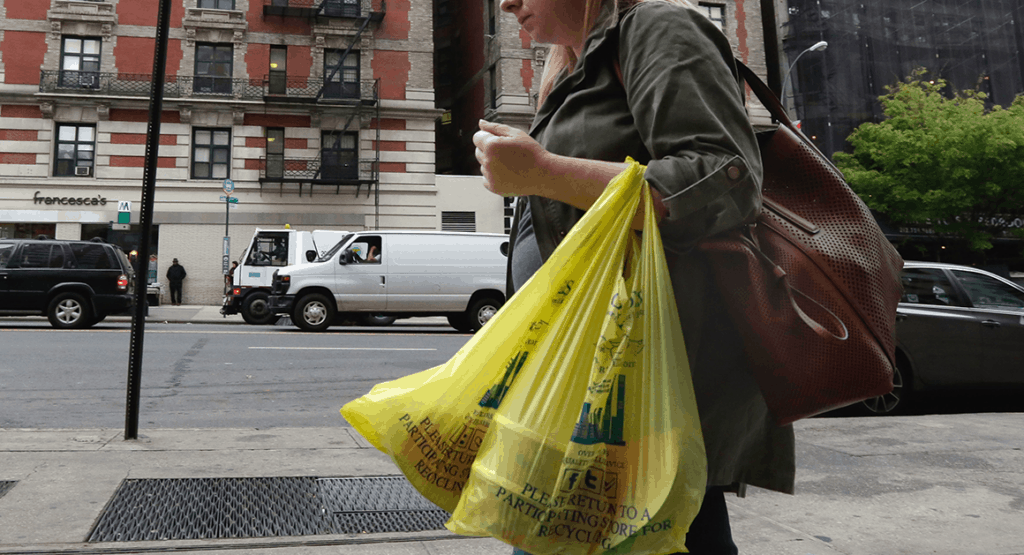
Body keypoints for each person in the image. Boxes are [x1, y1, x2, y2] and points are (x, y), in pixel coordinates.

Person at [474, 0, 795, 553]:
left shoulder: (658, 26)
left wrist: (544, 172)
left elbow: (724, 175)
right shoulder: (574, 70)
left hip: (646, 386)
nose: (506, 4)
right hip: (593, 380)